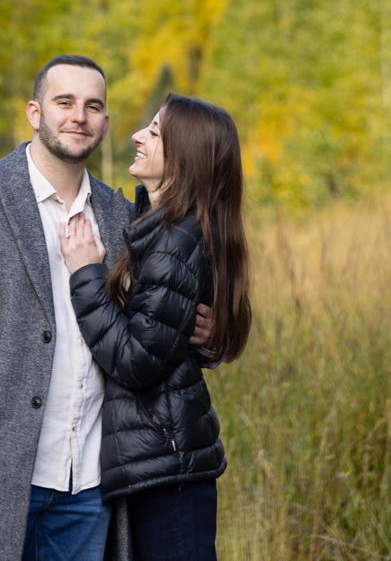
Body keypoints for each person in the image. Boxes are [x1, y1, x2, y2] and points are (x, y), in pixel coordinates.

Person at [0, 56, 213, 561]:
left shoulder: (121, 214)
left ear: (106, 123)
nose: (78, 116)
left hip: (87, 485)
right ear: (34, 112)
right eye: (64, 102)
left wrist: (205, 333)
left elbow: (155, 320)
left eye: (93, 106)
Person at [60, 93, 251, 561]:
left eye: (154, 132)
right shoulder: (158, 227)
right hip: (159, 460)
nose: (136, 136)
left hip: (169, 470)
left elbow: (138, 361)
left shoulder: (172, 242)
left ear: (183, 156)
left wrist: (85, 275)